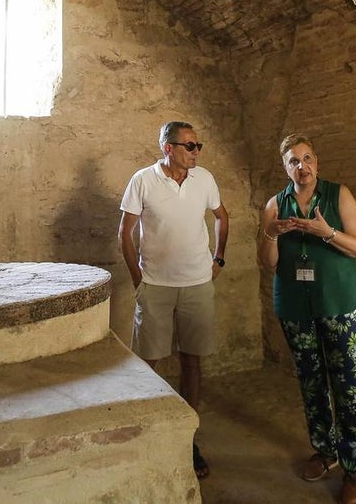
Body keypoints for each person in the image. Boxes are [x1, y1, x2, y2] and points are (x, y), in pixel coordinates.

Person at [257, 134, 356, 504]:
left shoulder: (339, 195)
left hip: (338, 303)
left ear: (317, 163)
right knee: (311, 382)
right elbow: (268, 263)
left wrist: (327, 232)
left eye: (307, 159)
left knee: (348, 386)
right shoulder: (275, 204)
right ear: (285, 166)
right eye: (293, 161)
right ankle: (325, 451)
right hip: (295, 306)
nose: (301, 167)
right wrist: (270, 234)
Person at [119, 120, 229, 480]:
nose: (196, 151)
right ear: (169, 148)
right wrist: (139, 280)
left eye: (198, 145)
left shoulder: (205, 179)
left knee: (192, 361)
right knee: (148, 362)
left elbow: (222, 217)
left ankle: (188, 439)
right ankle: (148, 433)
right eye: (189, 146)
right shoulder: (143, 180)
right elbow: (125, 233)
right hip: (156, 286)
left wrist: (219, 259)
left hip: (197, 284)